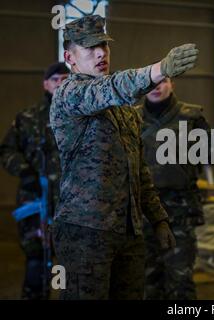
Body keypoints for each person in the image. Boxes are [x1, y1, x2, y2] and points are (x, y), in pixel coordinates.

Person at [50, 14, 199, 299]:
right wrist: (160, 69)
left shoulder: (124, 109)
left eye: (104, 46)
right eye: (90, 48)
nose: (100, 53)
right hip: (86, 231)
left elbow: (139, 169)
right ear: (70, 56)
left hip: (129, 231)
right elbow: (111, 87)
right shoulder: (69, 94)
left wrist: (158, 218)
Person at [0, 62, 69, 299]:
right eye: (55, 79)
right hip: (36, 203)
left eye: (65, 79)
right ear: (45, 84)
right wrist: (25, 172)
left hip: (71, 206)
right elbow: (6, 151)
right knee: (36, 267)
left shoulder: (80, 116)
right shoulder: (27, 118)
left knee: (74, 270)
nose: (60, 83)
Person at [137, 77, 210, 299]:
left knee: (180, 280)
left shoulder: (192, 117)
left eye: (162, 82)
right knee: (147, 280)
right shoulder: (132, 118)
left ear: (172, 84)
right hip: (143, 213)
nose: (156, 87)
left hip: (179, 212)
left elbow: (207, 157)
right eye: (151, 83)